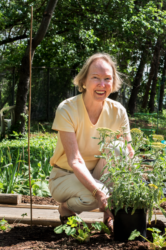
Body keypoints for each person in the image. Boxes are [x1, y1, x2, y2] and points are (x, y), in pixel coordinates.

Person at [48, 53, 134, 231]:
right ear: (84, 81)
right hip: (65, 176)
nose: (102, 85)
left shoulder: (118, 111)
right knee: (93, 193)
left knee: (120, 149)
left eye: (107, 79)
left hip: (97, 172)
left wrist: (135, 185)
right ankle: (66, 209)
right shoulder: (67, 108)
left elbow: (128, 153)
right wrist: (99, 191)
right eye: (95, 78)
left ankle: (108, 217)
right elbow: (75, 160)